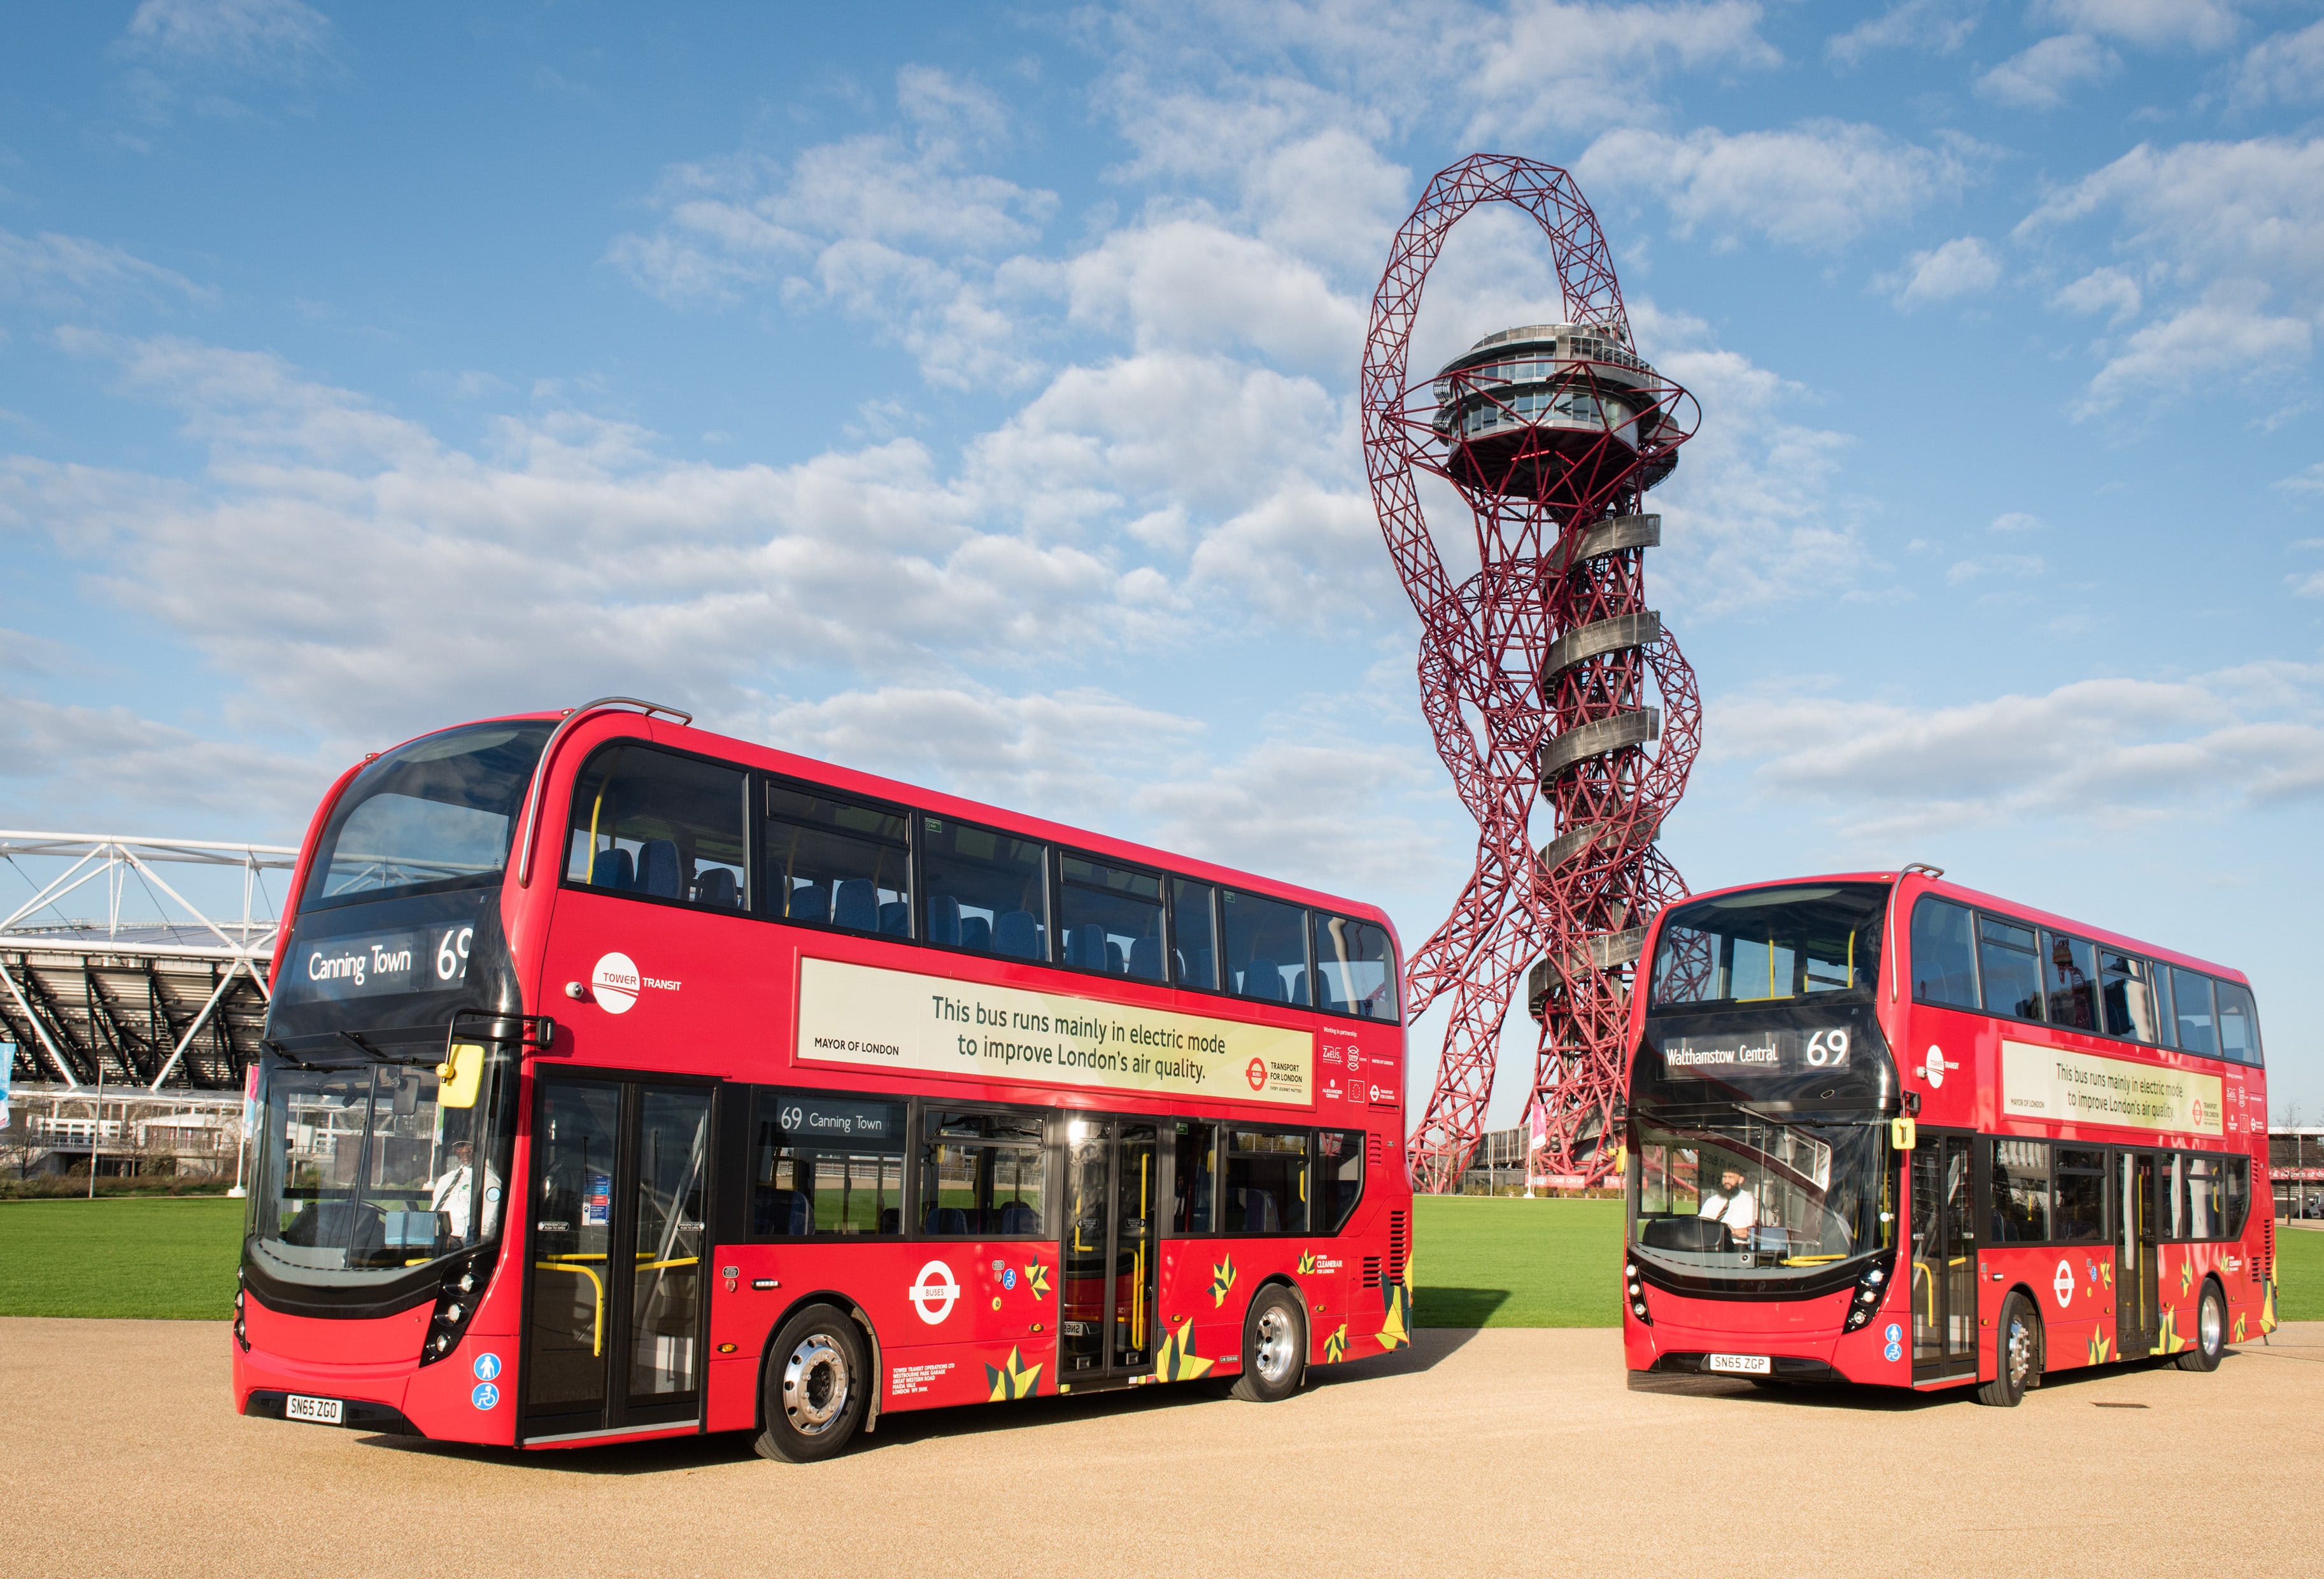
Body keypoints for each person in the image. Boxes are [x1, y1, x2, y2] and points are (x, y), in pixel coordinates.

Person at [430, 1139, 502, 1245]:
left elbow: (489, 1227)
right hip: (435, 1241)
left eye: (470, 1146)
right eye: (460, 1146)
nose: (465, 1150)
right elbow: (432, 1212)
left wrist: (460, 1244)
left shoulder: (489, 1181)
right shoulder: (445, 1179)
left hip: (461, 1247)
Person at [1697, 1165, 1757, 1239]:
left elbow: (1755, 1232)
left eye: (1730, 1177)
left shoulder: (1749, 1201)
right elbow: (1700, 1226)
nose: (1726, 1181)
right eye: (1724, 1177)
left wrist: (1732, 1232)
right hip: (1711, 1245)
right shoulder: (1712, 1201)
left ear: (1740, 1180)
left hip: (1737, 1247)